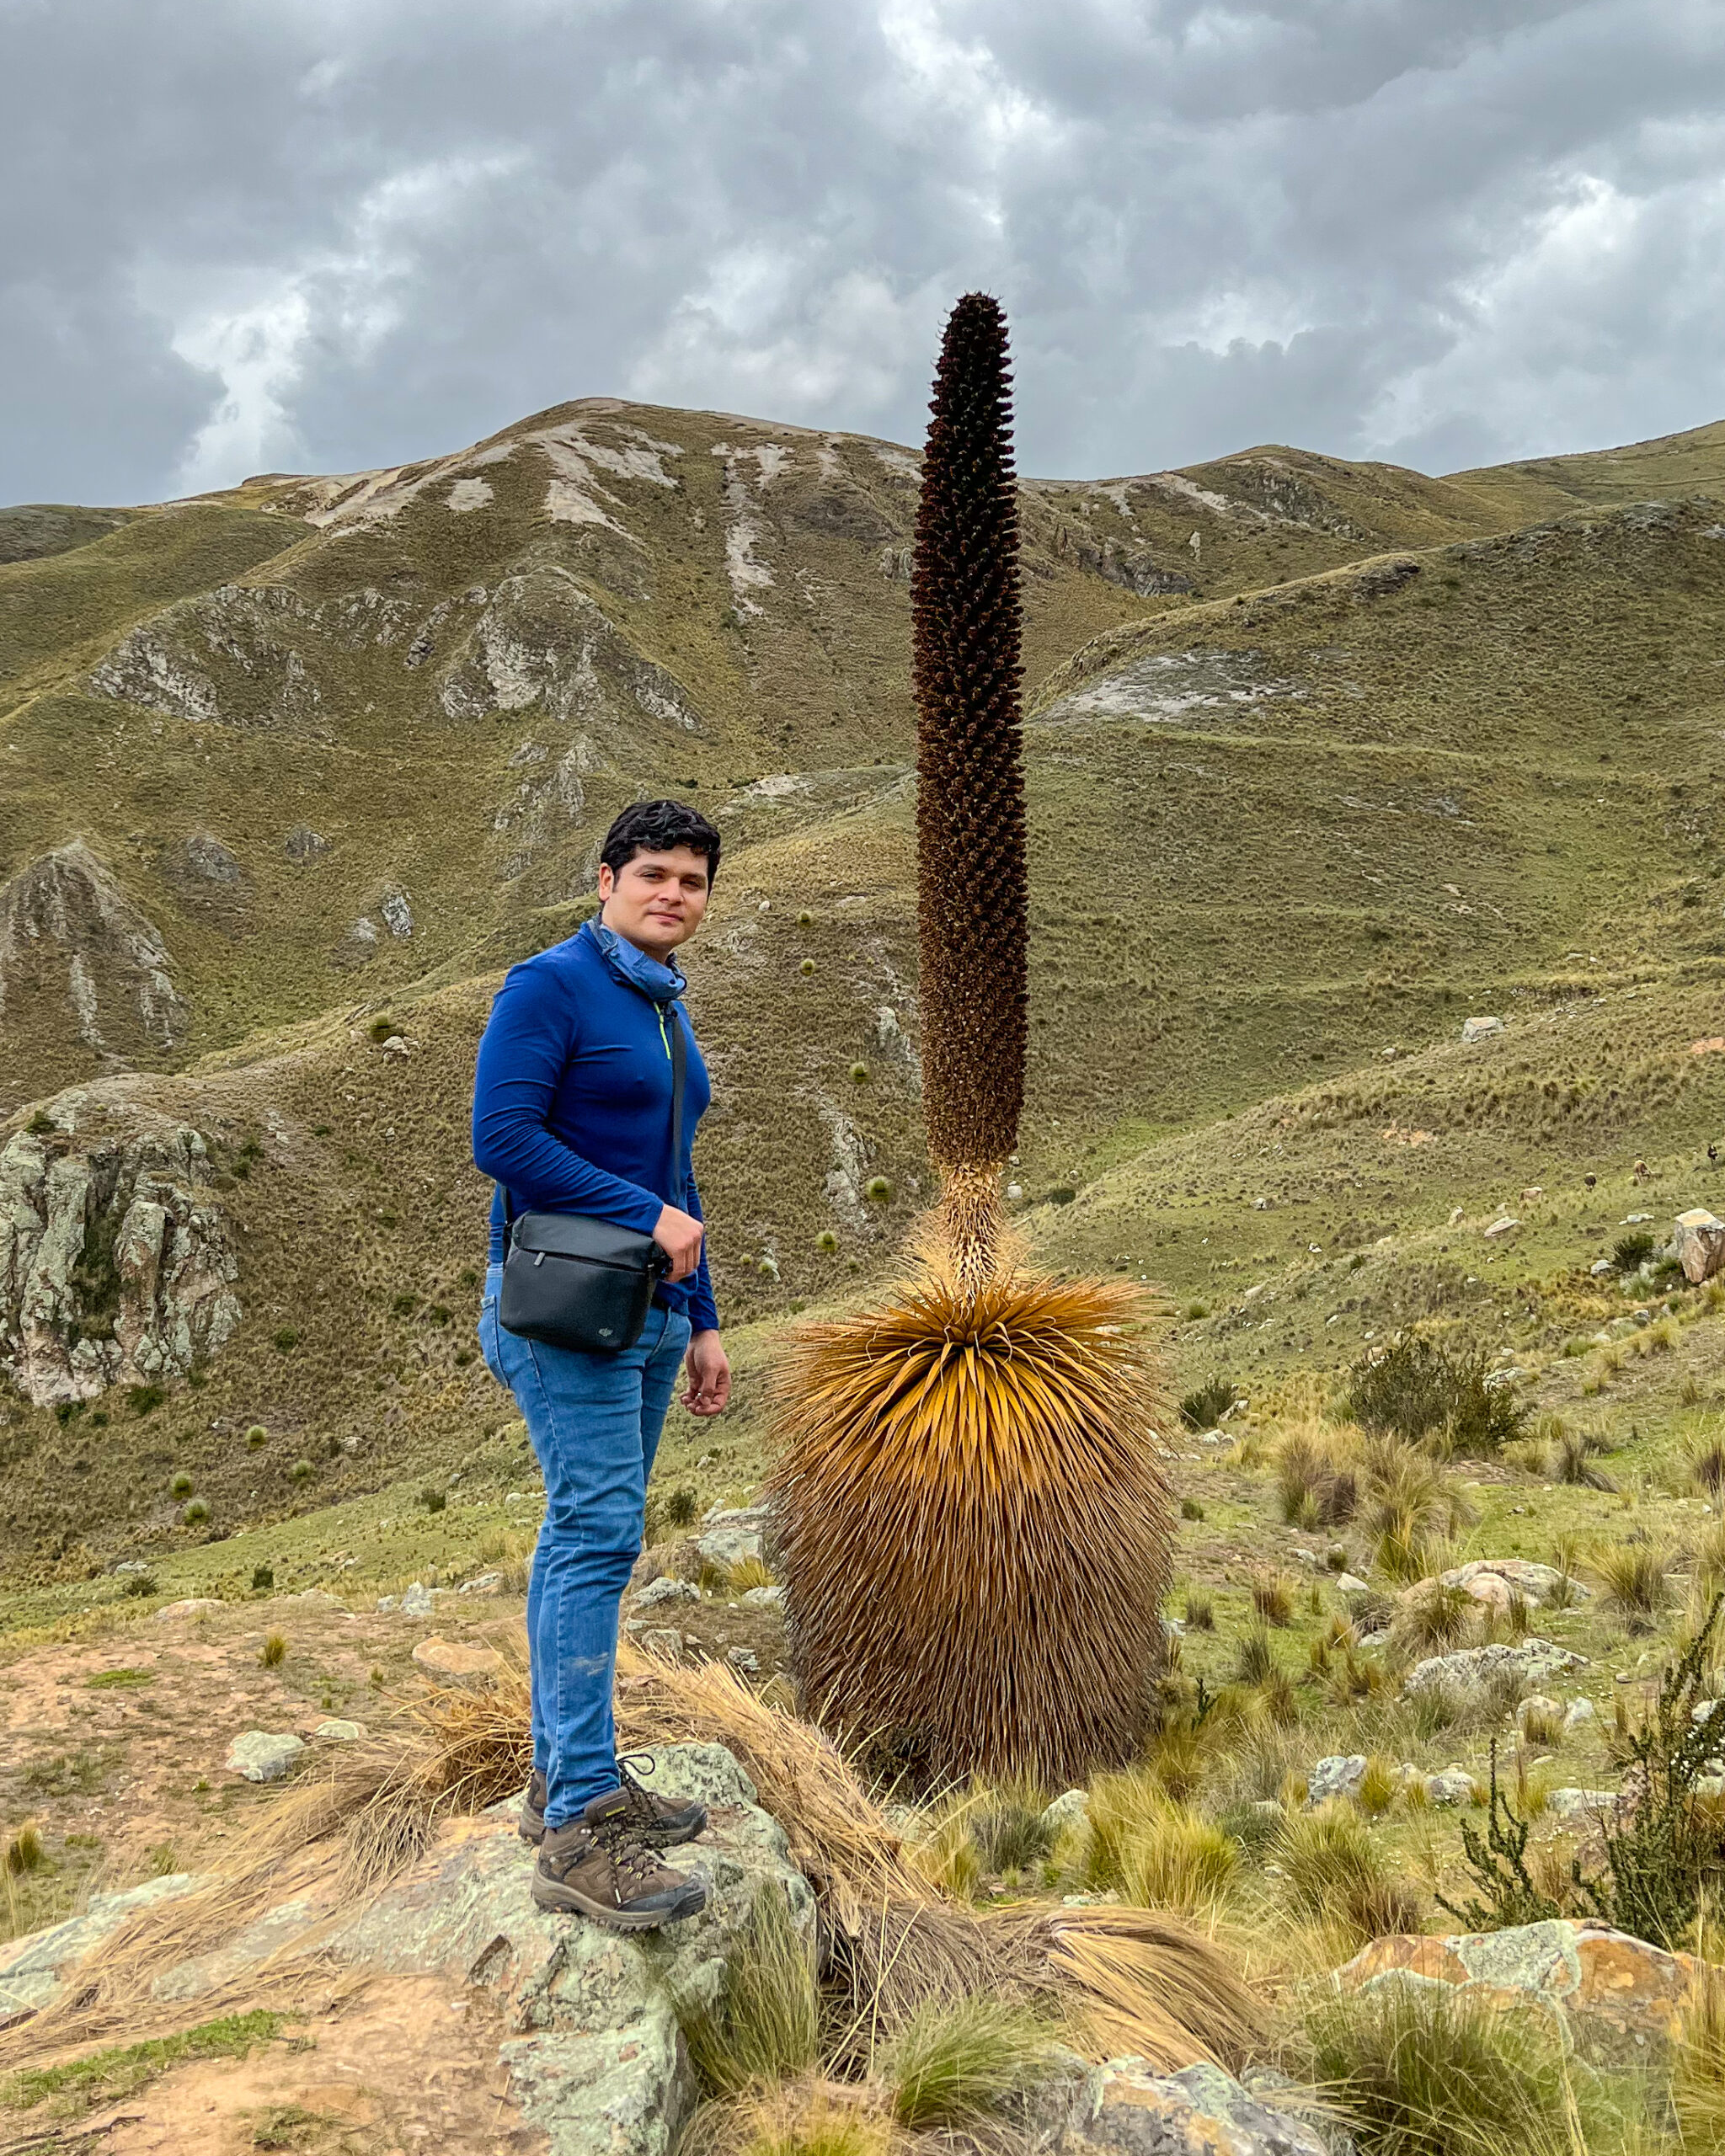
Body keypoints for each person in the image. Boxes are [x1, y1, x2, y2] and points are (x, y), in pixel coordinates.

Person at [473, 798, 731, 1929]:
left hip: (648, 1315)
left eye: (692, 881)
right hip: (563, 1311)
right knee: (596, 1535)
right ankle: (580, 1829)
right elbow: (505, 1140)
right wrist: (645, 1215)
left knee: (584, 1537)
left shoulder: (665, 1008)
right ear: (605, 879)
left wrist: (706, 1317)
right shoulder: (550, 986)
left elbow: (681, 1180)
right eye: (654, 875)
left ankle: (558, 1778)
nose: (673, 894)